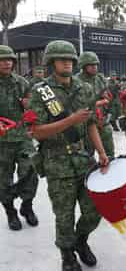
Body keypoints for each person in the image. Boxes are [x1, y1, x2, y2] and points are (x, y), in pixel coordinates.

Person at [29, 40, 109, 271]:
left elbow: (92, 123)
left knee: (94, 211)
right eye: (61, 58)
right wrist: (70, 121)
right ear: (51, 62)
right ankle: (67, 255)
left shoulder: (85, 88)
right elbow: (36, 132)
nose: (67, 62)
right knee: (64, 216)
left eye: (70, 59)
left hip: (84, 159)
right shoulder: (40, 91)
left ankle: (81, 241)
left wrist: (102, 152)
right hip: (57, 164)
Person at [0, 45, 39, 231]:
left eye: (9, 60)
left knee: (30, 172)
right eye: (2, 60)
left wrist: (28, 106)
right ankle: (10, 212)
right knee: (3, 179)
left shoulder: (22, 83)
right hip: (1, 141)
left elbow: (32, 107)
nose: (6, 62)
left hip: (22, 137)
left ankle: (27, 206)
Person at [77, 51, 115, 158]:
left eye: (96, 65)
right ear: (83, 66)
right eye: (91, 65)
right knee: (88, 157)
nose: (95, 67)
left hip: (103, 122)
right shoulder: (77, 81)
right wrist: (100, 102)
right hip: (87, 125)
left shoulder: (100, 79)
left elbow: (108, 98)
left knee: (110, 155)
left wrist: (103, 101)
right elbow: (80, 105)